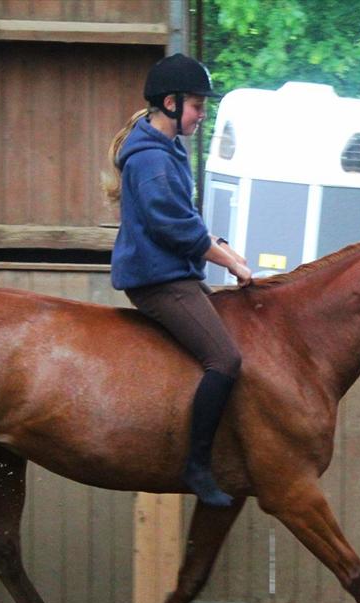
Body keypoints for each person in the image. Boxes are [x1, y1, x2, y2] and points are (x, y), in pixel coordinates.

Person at [105, 53, 253, 507]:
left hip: (175, 274)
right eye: (196, 104)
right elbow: (175, 227)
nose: (202, 113)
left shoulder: (168, 151)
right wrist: (229, 262)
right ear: (170, 103)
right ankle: (196, 465)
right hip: (159, 281)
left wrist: (225, 248)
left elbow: (187, 221)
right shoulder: (150, 160)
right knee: (225, 360)